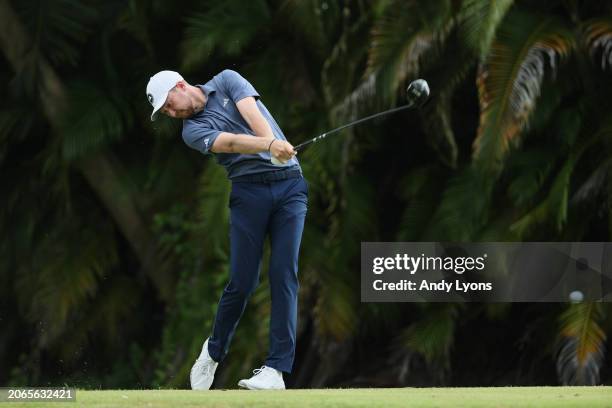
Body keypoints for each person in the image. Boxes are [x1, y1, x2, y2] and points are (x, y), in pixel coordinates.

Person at [146, 69, 308, 390]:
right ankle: (213, 351)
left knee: (283, 273)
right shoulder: (191, 131)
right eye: (164, 111)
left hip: (290, 187)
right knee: (243, 282)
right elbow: (232, 143)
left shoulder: (227, 81)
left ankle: (275, 370)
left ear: (180, 86)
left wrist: (273, 146)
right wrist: (270, 145)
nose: (169, 112)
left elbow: (252, 112)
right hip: (249, 193)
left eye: (168, 104)